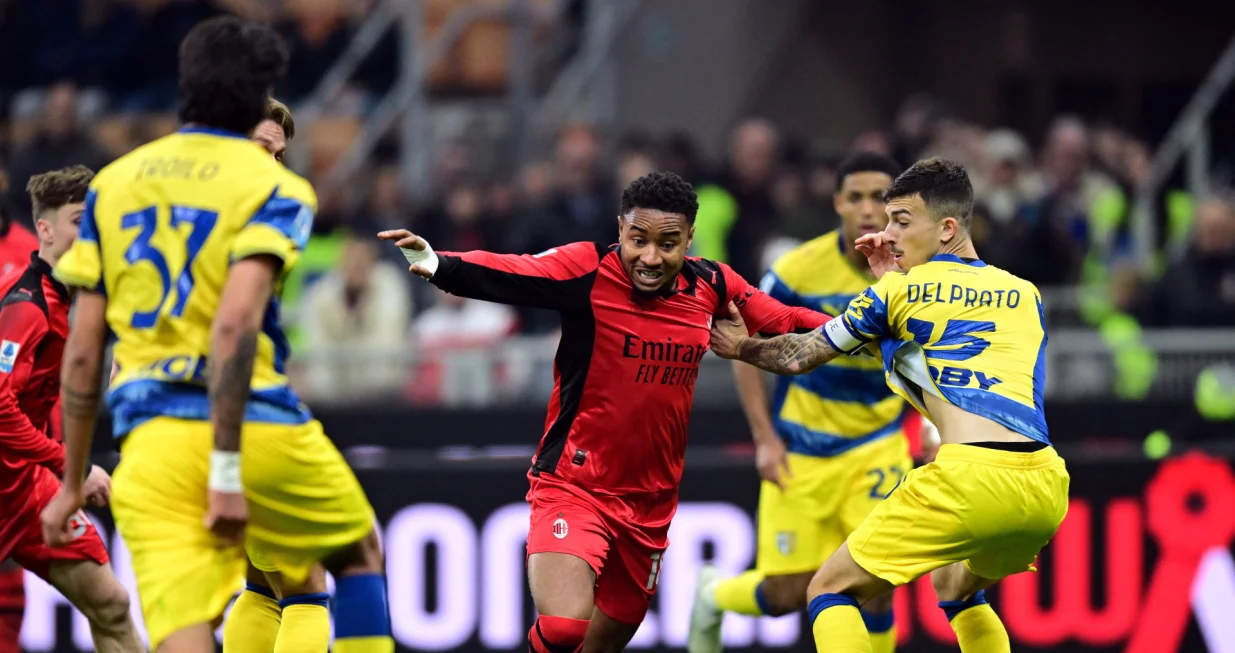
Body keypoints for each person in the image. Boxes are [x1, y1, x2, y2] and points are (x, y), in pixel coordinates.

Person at [39, 17, 391, 653]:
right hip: (249, 423)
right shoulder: (274, 188)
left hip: (149, 439)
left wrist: (70, 481)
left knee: (194, 627)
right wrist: (226, 466)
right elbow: (232, 326)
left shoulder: (114, 184)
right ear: (256, 93)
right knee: (349, 557)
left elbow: (85, 347)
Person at [378, 171, 826, 653]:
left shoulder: (713, 284)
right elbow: (515, 272)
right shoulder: (588, 270)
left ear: (689, 240)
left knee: (599, 644)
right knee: (565, 628)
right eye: (638, 240)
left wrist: (868, 325)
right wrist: (439, 263)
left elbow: (786, 322)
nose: (650, 257)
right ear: (620, 230)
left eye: (668, 243)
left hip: (650, 504)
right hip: (575, 483)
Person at [708, 158, 1070, 653]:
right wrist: (891, 281)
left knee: (829, 590)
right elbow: (948, 372)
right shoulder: (1025, 293)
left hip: (968, 477)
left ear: (945, 228)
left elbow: (799, 356)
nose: (888, 232)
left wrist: (741, 347)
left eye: (901, 221)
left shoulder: (898, 292)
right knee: (956, 590)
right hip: (1044, 486)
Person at [688, 152, 913, 653]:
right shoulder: (795, 272)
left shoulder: (914, 275)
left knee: (876, 585)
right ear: (837, 203)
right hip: (800, 453)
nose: (868, 209)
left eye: (880, 196)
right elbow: (744, 343)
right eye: (855, 197)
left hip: (875, 448)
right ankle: (714, 595)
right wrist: (764, 438)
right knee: (788, 592)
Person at [0, 165, 144, 652]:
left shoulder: (69, 299)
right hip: (16, 481)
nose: (92, 234)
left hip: (26, 489)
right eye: (80, 221)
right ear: (44, 229)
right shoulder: (26, 306)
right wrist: (72, 466)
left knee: (112, 605)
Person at [220, 96, 337, 653]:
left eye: (280, 154)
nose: (275, 165)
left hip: (169, 414)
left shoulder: (171, 210)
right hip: (242, 411)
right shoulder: (263, 215)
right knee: (307, 586)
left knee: (259, 578)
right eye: (264, 148)